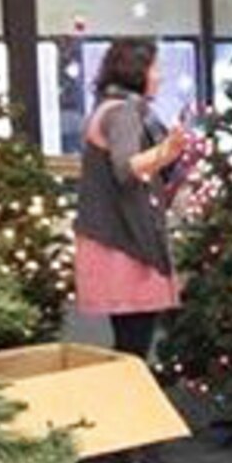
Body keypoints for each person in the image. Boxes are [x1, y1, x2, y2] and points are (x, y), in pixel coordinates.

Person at [73, 37, 188, 362]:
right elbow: (127, 168)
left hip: (114, 240)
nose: (160, 76)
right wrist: (168, 151)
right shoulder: (123, 113)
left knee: (129, 341)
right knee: (133, 347)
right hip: (124, 245)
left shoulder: (108, 108)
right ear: (136, 71)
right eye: (155, 67)